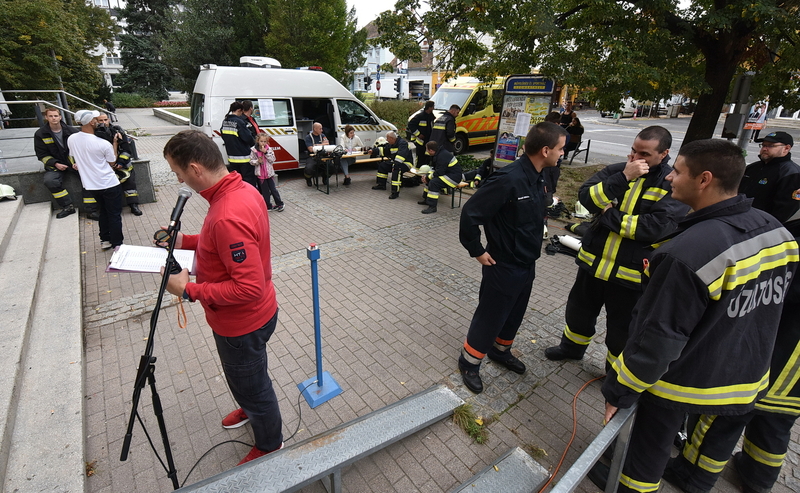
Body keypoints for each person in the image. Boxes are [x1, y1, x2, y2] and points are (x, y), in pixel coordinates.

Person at [599, 139, 799, 493]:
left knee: (647, 449)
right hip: (745, 375)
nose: (669, 178)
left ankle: (632, 487)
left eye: (677, 172)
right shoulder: (776, 231)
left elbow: (657, 342)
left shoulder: (686, 254)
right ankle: (696, 482)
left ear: (704, 179)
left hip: (684, 380)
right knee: (710, 445)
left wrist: (619, 392)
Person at [661, 131, 800, 493]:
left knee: (725, 415)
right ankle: (757, 478)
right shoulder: (767, 200)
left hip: (778, 346)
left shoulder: (787, 188)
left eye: (677, 171)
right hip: (778, 348)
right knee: (772, 420)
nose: (670, 177)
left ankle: (694, 476)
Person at [162, 129, 285, 466]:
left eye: (177, 172)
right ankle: (249, 405)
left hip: (241, 324)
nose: (179, 180)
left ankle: (270, 444)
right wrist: (184, 241)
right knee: (249, 377)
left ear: (195, 169)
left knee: (253, 385)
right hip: (254, 315)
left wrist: (187, 289)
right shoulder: (241, 188)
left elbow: (248, 287)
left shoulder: (226, 212)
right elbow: (218, 239)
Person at [545, 126, 689, 367]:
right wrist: (623, 178)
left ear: (664, 154)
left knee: (622, 328)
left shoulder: (669, 183)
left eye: (644, 154)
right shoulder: (617, 171)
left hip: (630, 275)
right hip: (593, 263)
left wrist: (608, 215)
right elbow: (586, 198)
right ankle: (571, 348)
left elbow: (654, 228)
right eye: (634, 150)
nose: (635, 158)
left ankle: (614, 370)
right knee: (579, 311)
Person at [457, 122, 567, 394]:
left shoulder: (539, 176)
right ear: (545, 150)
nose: (563, 153)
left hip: (526, 263)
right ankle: (469, 362)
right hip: (503, 264)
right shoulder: (508, 179)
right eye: (561, 148)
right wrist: (477, 250)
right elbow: (471, 214)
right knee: (491, 316)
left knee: (514, 314)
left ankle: (500, 350)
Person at [69, 110, 123, 250]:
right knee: (114, 214)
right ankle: (117, 244)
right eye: (95, 119)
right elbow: (112, 161)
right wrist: (115, 143)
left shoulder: (72, 139)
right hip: (109, 183)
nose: (98, 121)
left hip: (91, 185)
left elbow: (75, 156)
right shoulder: (102, 143)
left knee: (103, 211)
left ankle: (105, 239)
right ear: (91, 122)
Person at [34, 107, 99, 219]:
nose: (53, 118)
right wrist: (55, 164)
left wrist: (77, 162)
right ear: (46, 117)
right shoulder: (40, 134)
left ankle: (91, 210)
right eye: (50, 116)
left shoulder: (72, 131)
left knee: (89, 178)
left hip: (74, 163)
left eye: (56, 116)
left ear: (60, 117)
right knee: (50, 181)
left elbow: (82, 149)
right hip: (55, 165)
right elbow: (42, 155)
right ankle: (67, 207)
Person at [95, 112, 142, 216]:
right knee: (111, 189)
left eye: (105, 120)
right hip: (106, 167)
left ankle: (133, 205)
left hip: (123, 166)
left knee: (130, 184)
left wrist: (121, 162)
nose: (103, 122)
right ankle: (115, 208)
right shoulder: (94, 134)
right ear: (95, 121)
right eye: (100, 120)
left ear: (109, 120)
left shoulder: (117, 131)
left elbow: (126, 149)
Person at [220, 101, 257, 189]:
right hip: (244, 158)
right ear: (239, 110)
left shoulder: (225, 121)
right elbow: (248, 138)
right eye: (242, 111)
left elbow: (223, 135)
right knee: (248, 181)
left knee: (237, 181)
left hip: (232, 158)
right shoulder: (239, 122)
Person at [418, 141, 462, 214]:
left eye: (427, 150)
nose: (426, 152)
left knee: (434, 183)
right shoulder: (437, 154)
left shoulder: (442, 156)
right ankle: (427, 200)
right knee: (430, 180)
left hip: (453, 178)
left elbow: (439, 172)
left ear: (431, 150)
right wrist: (426, 176)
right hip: (447, 174)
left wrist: (428, 178)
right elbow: (434, 168)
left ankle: (432, 207)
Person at [371, 131, 413, 199]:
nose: (387, 140)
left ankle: (395, 192)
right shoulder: (392, 144)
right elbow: (384, 150)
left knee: (396, 170)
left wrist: (395, 165)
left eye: (387, 138)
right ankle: (381, 185)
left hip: (406, 163)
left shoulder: (403, 143)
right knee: (383, 165)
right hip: (395, 162)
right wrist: (373, 151)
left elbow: (401, 156)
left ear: (392, 138)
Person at [250, 133, 284, 211]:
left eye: (265, 141)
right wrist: (257, 161)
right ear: (258, 141)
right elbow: (251, 161)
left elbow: (273, 159)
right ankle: (268, 205)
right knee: (265, 191)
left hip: (269, 174)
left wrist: (266, 153)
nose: (263, 143)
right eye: (261, 141)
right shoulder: (253, 150)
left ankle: (280, 203)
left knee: (273, 189)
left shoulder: (269, 149)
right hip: (260, 174)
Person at [407, 101, 436, 166]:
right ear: (429, 107)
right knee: (420, 158)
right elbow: (411, 125)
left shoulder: (431, 116)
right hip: (420, 142)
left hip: (428, 140)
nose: (433, 108)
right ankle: (418, 170)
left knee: (427, 158)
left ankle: (425, 169)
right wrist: (418, 134)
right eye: (433, 107)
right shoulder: (420, 116)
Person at [303, 122, 329, 187]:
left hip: (322, 155)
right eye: (320, 129)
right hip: (312, 156)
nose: (322, 130)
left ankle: (325, 177)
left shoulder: (322, 135)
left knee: (331, 166)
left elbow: (327, 144)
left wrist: (316, 145)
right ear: (315, 129)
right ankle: (308, 179)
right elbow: (311, 149)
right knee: (309, 168)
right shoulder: (308, 137)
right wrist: (322, 145)